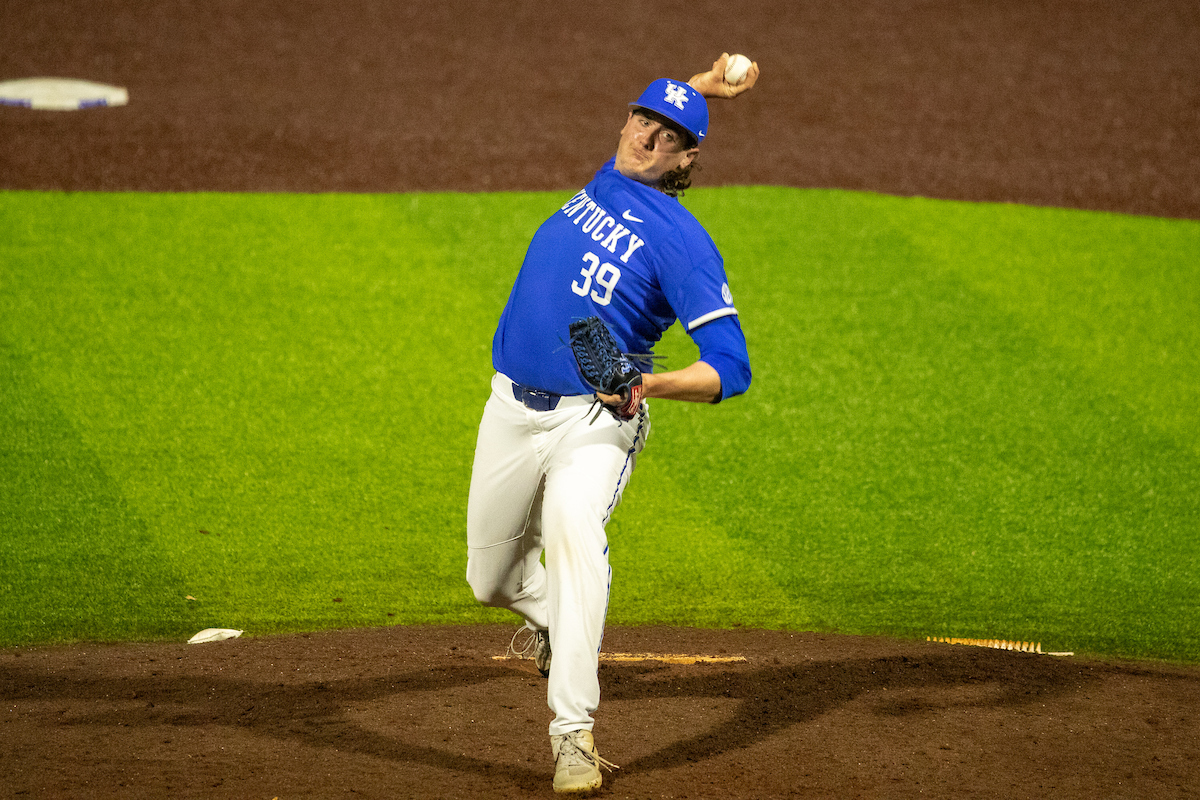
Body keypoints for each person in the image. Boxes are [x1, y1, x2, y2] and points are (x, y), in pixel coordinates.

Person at [465, 54, 760, 794]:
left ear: (688, 158)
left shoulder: (681, 242)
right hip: (510, 407)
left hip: (596, 423)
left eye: (669, 135)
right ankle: (557, 626)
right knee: (488, 580)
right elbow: (664, 111)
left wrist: (646, 382)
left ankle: (573, 734)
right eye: (641, 119)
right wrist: (702, 87)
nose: (647, 137)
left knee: (573, 533)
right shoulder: (610, 174)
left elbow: (732, 366)